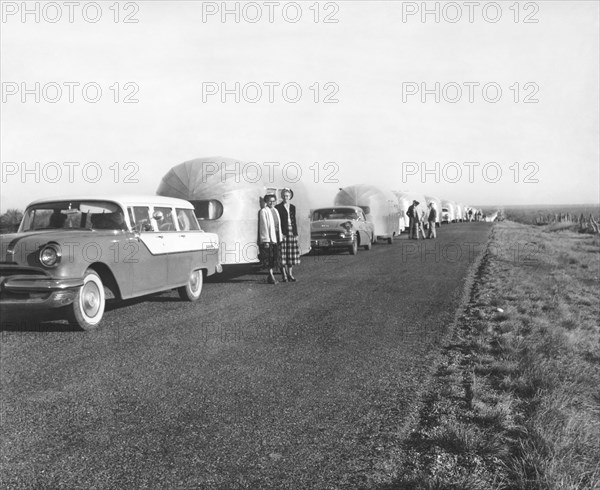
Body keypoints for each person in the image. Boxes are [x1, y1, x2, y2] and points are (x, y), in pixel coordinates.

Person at [275, 188, 300, 282]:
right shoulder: (278, 207)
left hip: (292, 231)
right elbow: (277, 222)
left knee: (291, 254)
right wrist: (280, 233)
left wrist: (296, 233)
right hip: (283, 232)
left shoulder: (293, 207)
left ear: (290, 197)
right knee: (283, 254)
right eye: (284, 196)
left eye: (287, 196)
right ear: (281, 196)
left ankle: (290, 274)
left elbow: (294, 221)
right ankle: (284, 275)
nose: (286, 197)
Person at [258, 194, 282, 284]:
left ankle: (271, 276)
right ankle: (271, 276)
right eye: (270, 201)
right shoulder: (263, 211)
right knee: (269, 257)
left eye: (273, 201)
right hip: (269, 238)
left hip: (276, 237)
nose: (272, 203)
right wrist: (266, 240)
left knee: (275, 257)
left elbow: (278, 224)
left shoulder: (275, 210)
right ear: (266, 202)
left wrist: (280, 235)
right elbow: (263, 226)